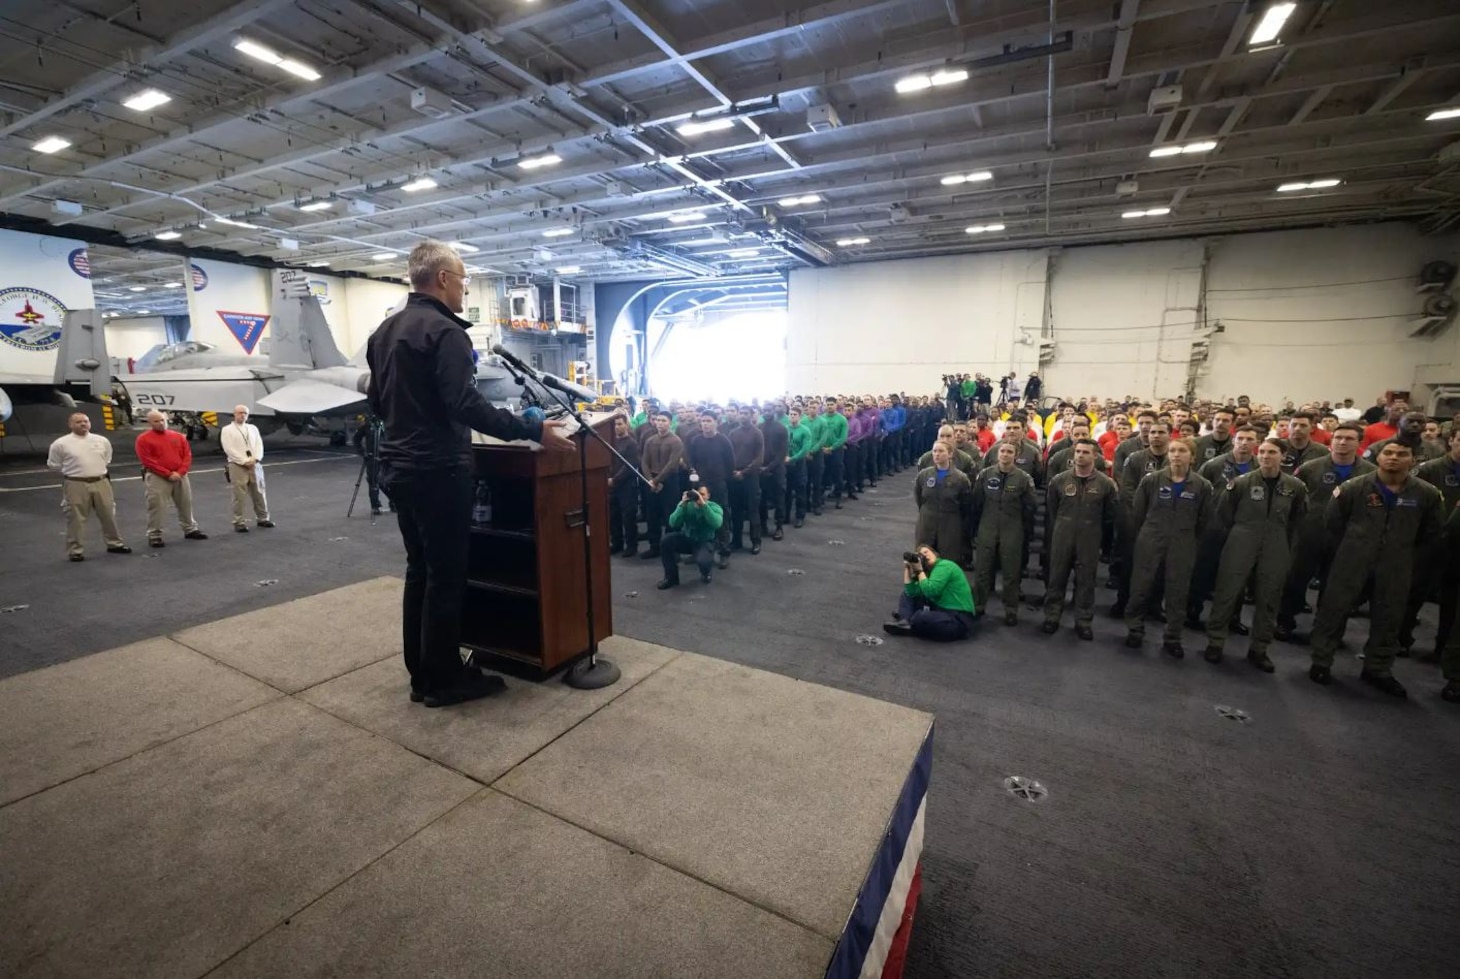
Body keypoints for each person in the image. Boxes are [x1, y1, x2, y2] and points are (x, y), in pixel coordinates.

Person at [367, 239, 572, 709]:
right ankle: (443, 681)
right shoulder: (446, 332)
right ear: (442, 279)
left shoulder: (384, 331)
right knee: (446, 576)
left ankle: (422, 674)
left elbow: (377, 402)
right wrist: (533, 428)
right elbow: (465, 404)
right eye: (462, 279)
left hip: (398, 469)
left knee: (419, 571)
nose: (464, 288)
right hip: (438, 472)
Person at [1308, 441, 1444, 697]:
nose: (1394, 458)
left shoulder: (1426, 494)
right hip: (1353, 560)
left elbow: (1432, 534)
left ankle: (1378, 668)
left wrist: (1406, 556)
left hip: (1397, 564)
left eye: (1402, 454)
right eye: (1388, 453)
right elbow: (1333, 523)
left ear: (1412, 460)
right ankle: (1322, 661)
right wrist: (1353, 547)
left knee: (1390, 616)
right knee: (1334, 610)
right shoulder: (1354, 488)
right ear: (1378, 458)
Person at [1202, 439, 1308, 671]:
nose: (1266, 456)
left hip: (1276, 542)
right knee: (1226, 593)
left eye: (1272, 452)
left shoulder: (1295, 487)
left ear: (1283, 456)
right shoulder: (1240, 483)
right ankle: (1216, 642)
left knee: (1269, 598)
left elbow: (1297, 520)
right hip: (1241, 539)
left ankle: (1259, 649)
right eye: (1262, 452)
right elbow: (1223, 516)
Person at [1275, 422, 1375, 639]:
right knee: (1295, 579)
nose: (1342, 442)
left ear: (1359, 443)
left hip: (1347, 538)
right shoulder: (1310, 468)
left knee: (1336, 586)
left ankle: (1327, 629)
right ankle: (1284, 620)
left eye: (1349, 438)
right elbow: (1291, 498)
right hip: (1309, 534)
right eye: (1338, 438)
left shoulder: (1370, 473)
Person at [1123, 436, 1212, 657]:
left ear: (1192, 456)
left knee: (1177, 591)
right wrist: (1147, 534)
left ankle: (1173, 636)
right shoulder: (1151, 480)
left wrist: (1188, 538)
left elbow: (1205, 520)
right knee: (1141, 585)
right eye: (1172, 450)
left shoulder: (1202, 486)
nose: (1175, 454)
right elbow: (1137, 513)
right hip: (1151, 537)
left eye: (1182, 450)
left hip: (1183, 541)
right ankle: (1135, 629)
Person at [1042, 439, 1118, 639]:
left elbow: (1110, 515)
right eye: (1077, 451)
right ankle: (1051, 616)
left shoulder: (1105, 484)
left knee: (1086, 581)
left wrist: (1102, 540)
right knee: (1057, 577)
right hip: (1062, 533)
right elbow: (1052, 510)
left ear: (1095, 456)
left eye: (1085, 452)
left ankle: (1083, 620)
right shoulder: (1059, 481)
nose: (1080, 455)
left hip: (1090, 536)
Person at [47, 411, 132, 562]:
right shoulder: (61, 444)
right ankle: (75, 550)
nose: (83, 424)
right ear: (70, 424)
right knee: (76, 518)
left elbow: (107, 459)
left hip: (101, 481)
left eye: (85, 421)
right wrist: (75, 473)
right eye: (78, 422)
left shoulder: (101, 440)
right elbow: (54, 464)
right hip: (76, 483)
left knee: (108, 514)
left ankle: (114, 543)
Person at [971, 441, 1037, 625]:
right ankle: (978, 605)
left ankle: (1010, 609)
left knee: (1011, 572)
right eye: (1002, 451)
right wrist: (975, 529)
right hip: (988, 525)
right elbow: (976, 502)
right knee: (982, 570)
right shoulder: (985, 475)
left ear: (1016, 456)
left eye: (1009, 452)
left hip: (1012, 528)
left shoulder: (1023, 479)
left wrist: (1025, 531)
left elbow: (1030, 507)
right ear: (997, 453)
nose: (1005, 454)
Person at [135, 409, 207, 548]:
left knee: (185, 503)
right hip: (157, 477)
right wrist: (167, 474)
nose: (161, 423)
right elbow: (147, 460)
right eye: (156, 421)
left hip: (180, 476)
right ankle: (154, 535)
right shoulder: (143, 439)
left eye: (163, 420)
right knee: (157, 506)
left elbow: (187, 455)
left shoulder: (178, 437)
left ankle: (190, 529)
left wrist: (180, 472)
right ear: (150, 423)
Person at [883, 545, 979, 641]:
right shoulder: (929, 572)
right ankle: (904, 621)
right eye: (921, 555)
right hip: (942, 610)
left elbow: (930, 591)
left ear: (935, 554)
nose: (925, 556)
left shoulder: (944, 565)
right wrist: (908, 568)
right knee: (908, 595)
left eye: (926, 552)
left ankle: (910, 620)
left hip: (958, 618)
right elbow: (911, 592)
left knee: (920, 617)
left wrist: (919, 570)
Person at [687, 410, 735, 568]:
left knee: (721, 517)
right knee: (699, 517)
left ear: (716, 422)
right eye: (703, 421)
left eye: (708, 421)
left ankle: (724, 552)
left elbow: (730, 464)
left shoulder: (724, 441)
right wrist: (693, 471)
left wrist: (721, 478)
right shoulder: (695, 440)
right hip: (701, 484)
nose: (705, 424)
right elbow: (691, 461)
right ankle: (699, 552)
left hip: (718, 484)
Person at [914, 440, 973, 567]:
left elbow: (966, 505)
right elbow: (919, 498)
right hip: (927, 520)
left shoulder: (960, 478)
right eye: (934, 451)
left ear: (950, 454)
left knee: (948, 560)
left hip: (950, 523)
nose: (936, 454)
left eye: (941, 451)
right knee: (923, 558)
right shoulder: (924, 475)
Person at [656, 483, 723, 589]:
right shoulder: (687, 505)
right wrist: (682, 504)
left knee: (702, 561)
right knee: (666, 541)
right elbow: (673, 523)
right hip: (688, 539)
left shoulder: (714, 507)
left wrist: (704, 506)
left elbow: (717, 523)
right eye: (697, 494)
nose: (699, 497)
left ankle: (706, 572)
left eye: (702, 494)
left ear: (708, 495)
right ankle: (671, 578)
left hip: (705, 541)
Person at [221, 405, 275, 532]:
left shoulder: (253, 428)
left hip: (255, 464)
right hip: (237, 465)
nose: (242, 415)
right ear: (234, 414)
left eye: (245, 413)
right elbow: (229, 449)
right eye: (240, 413)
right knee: (239, 495)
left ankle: (263, 518)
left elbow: (259, 445)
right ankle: (239, 522)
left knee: (259, 492)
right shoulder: (227, 430)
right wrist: (244, 461)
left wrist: (256, 459)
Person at [640, 411, 684, 559]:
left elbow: (672, 465)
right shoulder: (650, 440)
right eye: (658, 420)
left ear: (670, 423)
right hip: (651, 480)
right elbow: (644, 462)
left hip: (670, 481)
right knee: (652, 515)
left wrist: (657, 480)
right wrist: (650, 480)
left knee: (670, 516)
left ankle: (672, 549)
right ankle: (654, 547)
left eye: (664, 420)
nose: (660, 423)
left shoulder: (676, 441)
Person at [727, 404, 765, 554]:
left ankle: (756, 542)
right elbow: (728, 455)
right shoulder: (733, 433)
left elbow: (759, 458)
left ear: (751, 415)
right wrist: (733, 471)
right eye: (741, 413)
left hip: (751, 477)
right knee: (735, 511)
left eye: (745, 413)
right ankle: (736, 541)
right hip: (734, 477)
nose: (742, 416)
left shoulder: (757, 433)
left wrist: (744, 472)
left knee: (752, 510)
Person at [608, 414, 642, 558]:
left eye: (620, 424)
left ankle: (631, 546)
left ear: (626, 425)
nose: (617, 427)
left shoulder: (632, 443)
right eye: (615, 424)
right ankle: (617, 543)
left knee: (628, 517)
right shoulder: (610, 442)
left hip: (627, 485)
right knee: (613, 516)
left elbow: (630, 466)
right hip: (611, 485)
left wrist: (615, 479)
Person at [1363, 408, 1442, 464]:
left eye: (1420, 422)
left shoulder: (1435, 451)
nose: (1415, 424)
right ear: (1399, 424)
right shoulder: (1377, 448)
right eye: (1410, 421)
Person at [759, 403, 789, 540]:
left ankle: (779, 527)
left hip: (777, 469)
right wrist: (761, 467)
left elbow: (782, 453)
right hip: (761, 470)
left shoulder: (781, 428)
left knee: (779, 499)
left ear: (774, 411)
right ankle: (763, 525)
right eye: (764, 410)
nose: (766, 412)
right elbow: (757, 451)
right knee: (761, 499)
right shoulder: (759, 428)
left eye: (769, 410)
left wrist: (769, 467)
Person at [351, 415, 392, 515]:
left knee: (387, 481)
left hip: (386, 456)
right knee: (373, 481)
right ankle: (375, 506)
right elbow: (356, 439)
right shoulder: (368, 425)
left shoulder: (387, 422)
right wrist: (362, 452)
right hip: (371, 457)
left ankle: (394, 501)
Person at [822, 396, 849, 509]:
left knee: (837, 475)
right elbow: (819, 436)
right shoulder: (822, 418)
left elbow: (843, 437)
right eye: (827, 404)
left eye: (831, 404)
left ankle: (838, 499)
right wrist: (823, 447)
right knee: (823, 474)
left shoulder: (842, 419)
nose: (829, 406)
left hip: (836, 451)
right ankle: (820, 498)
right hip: (823, 450)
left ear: (836, 405)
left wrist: (831, 448)